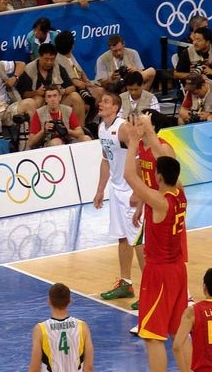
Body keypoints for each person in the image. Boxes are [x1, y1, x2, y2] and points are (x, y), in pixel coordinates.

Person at [122, 146, 188, 372]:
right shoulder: (180, 193)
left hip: (160, 272)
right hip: (178, 269)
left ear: (158, 176)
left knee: (152, 336)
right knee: (179, 331)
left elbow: (129, 176)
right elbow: (167, 165)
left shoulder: (160, 202)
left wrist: (132, 143)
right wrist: (150, 134)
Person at [94, 93, 143, 308]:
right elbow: (106, 160)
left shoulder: (123, 128)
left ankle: (149, 290)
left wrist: (138, 191)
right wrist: (100, 190)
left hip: (130, 190)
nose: (100, 104)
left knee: (140, 241)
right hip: (116, 190)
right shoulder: (102, 127)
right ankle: (126, 283)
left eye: (105, 101)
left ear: (115, 107)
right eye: (101, 101)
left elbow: (140, 158)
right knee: (122, 238)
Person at [28, 283, 94, 372]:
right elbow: (88, 368)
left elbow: (34, 368)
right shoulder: (82, 326)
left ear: (49, 301)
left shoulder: (40, 329)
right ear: (70, 301)